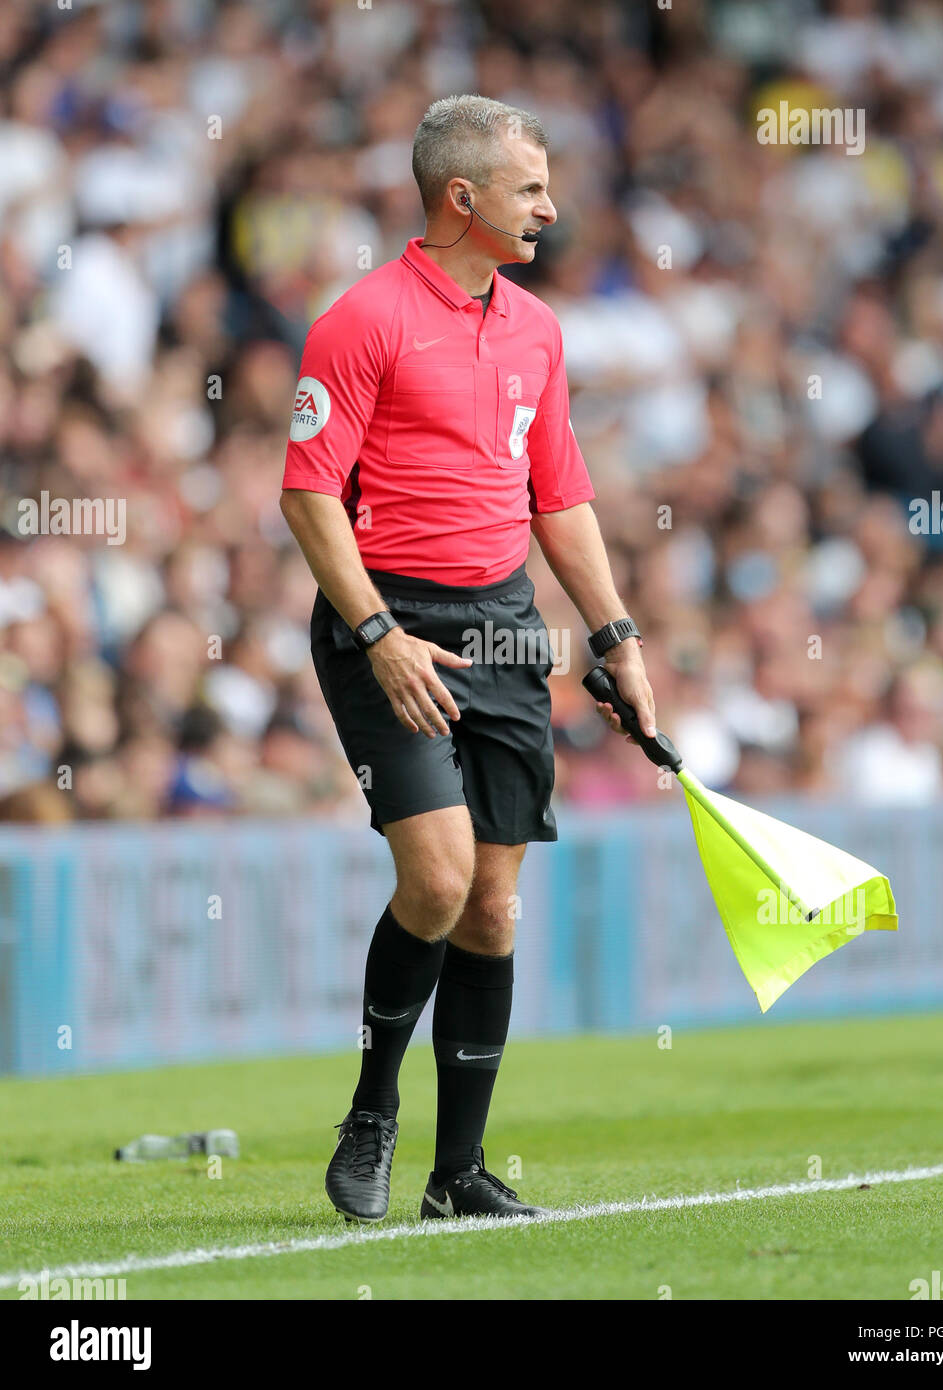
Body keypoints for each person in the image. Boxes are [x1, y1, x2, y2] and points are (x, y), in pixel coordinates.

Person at [280, 94, 656, 1223]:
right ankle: (370, 1113)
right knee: (437, 880)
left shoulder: (538, 329)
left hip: (504, 627)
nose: (549, 206)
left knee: (491, 909)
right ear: (463, 197)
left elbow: (562, 497)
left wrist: (617, 636)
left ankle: (458, 1174)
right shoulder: (362, 319)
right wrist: (379, 634)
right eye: (530, 187)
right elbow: (306, 496)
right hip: (387, 619)